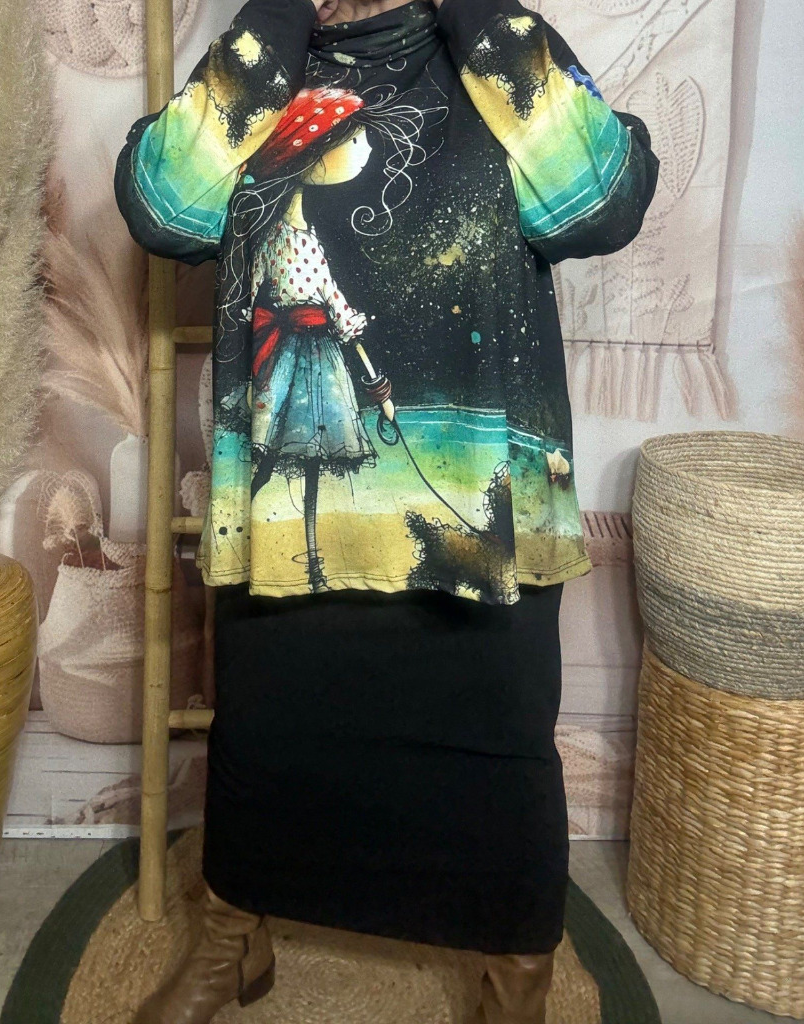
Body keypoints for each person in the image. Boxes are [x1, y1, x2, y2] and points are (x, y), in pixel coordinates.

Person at [114, 0, 659, 1021]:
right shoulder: (264, 67)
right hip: (289, 508)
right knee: (268, 728)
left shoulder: (494, 54)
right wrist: (278, 14)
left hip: (480, 511)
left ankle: (514, 978)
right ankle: (235, 938)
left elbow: (602, 201)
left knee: (497, 741)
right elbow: (163, 210)